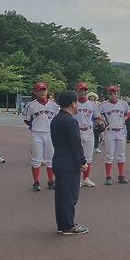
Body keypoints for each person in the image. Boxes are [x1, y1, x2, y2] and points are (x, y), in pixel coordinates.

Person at [50, 91, 89, 235]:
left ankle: (62, 224)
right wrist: (82, 161)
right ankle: (68, 225)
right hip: (69, 163)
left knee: (61, 195)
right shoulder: (71, 121)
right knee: (70, 195)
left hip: (58, 160)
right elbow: (75, 144)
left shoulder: (56, 119)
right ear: (73, 103)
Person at [23, 82, 59, 191]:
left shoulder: (54, 105)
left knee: (51, 159)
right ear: (35, 92)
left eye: (44, 90)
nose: (42, 92)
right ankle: (36, 182)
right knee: (36, 159)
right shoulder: (31, 105)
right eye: (39, 90)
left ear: (47, 91)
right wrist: (34, 127)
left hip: (50, 134)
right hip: (37, 134)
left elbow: (57, 119)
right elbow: (27, 120)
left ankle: (51, 180)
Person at [98, 85, 130, 185]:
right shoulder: (103, 105)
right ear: (108, 94)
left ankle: (121, 176)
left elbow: (129, 112)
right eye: (111, 93)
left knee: (121, 154)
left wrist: (125, 118)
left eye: (115, 92)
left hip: (121, 130)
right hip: (110, 131)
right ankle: (108, 177)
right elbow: (96, 114)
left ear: (117, 93)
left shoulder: (123, 103)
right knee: (109, 154)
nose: (113, 95)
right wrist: (102, 121)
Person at [74, 82, 103, 187]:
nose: (83, 92)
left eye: (84, 90)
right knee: (77, 156)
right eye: (80, 90)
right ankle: (78, 179)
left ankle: (86, 178)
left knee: (88, 157)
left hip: (88, 131)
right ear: (77, 91)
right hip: (76, 131)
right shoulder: (73, 103)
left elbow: (97, 117)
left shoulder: (92, 104)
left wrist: (99, 122)